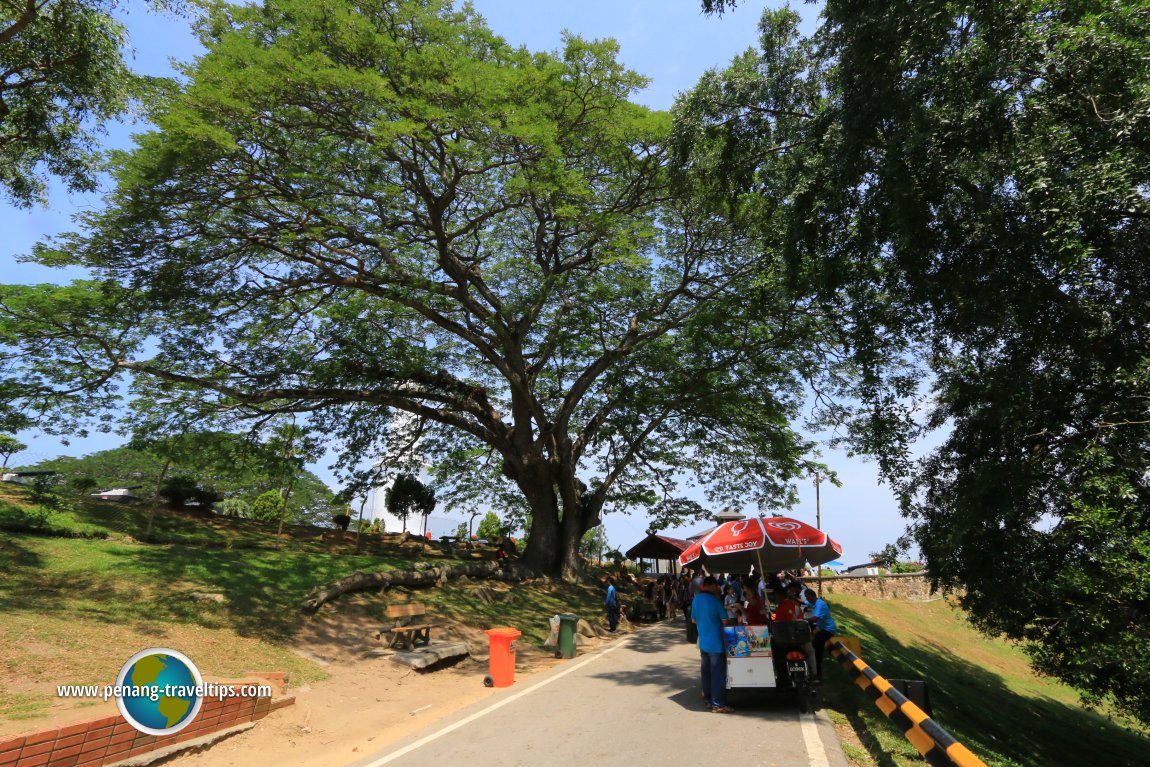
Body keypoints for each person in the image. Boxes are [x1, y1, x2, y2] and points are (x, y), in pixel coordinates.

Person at [691, 576, 732, 713]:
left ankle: (708, 700)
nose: (718, 588)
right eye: (716, 586)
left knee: (706, 672)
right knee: (717, 674)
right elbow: (725, 622)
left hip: (703, 643)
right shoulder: (716, 601)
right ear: (712, 586)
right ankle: (718, 704)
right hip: (716, 643)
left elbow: (693, 620)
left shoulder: (696, 600)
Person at [803, 588, 838, 682]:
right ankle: (815, 671)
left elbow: (815, 619)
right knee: (815, 646)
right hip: (822, 629)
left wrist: (802, 620)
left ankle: (817, 674)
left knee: (815, 648)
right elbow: (804, 603)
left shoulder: (820, 605)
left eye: (807, 597)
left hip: (828, 630)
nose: (807, 599)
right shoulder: (813, 602)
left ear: (812, 596)